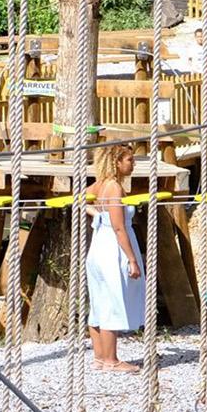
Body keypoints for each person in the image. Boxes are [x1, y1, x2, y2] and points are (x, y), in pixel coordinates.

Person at [86, 147, 145, 373]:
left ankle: (100, 357)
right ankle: (111, 360)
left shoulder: (99, 185)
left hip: (99, 245)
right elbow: (120, 228)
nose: (133, 164)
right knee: (111, 299)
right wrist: (132, 259)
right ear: (117, 161)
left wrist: (98, 216)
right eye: (130, 160)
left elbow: (79, 198)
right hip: (113, 248)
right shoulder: (114, 188)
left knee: (99, 300)